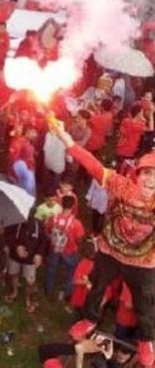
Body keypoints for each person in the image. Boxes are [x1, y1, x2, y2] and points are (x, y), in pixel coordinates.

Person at [52, 118, 155, 365]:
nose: (151, 180)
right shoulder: (121, 186)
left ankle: (146, 341)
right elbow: (92, 164)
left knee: (144, 300)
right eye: (147, 174)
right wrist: (66, 138)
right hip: (111, 250)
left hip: (142, 260)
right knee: (97, 284)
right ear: (137, 175)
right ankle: (90, 319)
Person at [5, 214, 48, 313]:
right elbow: (8, 236)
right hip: (15, 256)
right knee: (13, 274)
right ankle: (14, 292)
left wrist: (39, 254)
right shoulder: (14, 222)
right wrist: (16, 247)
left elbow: (43, 241)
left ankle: (29, 299)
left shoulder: (39, 224)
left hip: (31, 259)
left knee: (30, 281)